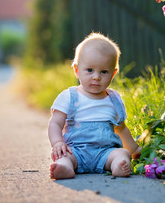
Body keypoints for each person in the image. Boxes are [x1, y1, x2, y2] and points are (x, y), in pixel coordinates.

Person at [48, 32, 142, 179]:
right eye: (90, 70)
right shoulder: (69, 97)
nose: (96, 77)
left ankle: (118, 164)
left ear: (113, 73)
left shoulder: (113, 100)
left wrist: (135, 149)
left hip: (105, 153)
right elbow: (55, 123)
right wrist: (58, 142)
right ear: (77, 70)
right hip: (76, 151)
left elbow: (121, 128)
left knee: (122, 153)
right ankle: (64, 167)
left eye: (104, 72)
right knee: (64, 156)